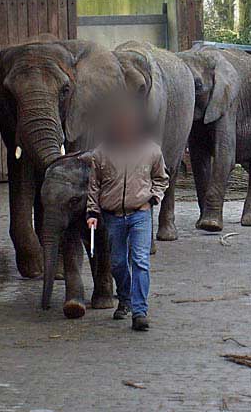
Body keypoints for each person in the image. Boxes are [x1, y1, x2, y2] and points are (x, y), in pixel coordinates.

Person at [86, 104, 169, 331]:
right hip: (112, 217)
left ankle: (140, 311)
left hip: (140, 214)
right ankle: (125, 298)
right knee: (118, 262)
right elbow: (94, 186)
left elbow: (162, 179)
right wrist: (92, 212)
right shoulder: (101, 153)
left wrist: (152, 200)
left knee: (140, 260)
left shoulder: (152, 151)